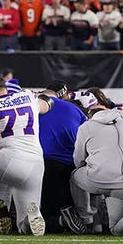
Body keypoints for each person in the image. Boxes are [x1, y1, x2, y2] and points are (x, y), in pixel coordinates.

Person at [0, 76, 51, 236]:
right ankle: (31, 218)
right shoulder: (27, 96)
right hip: (36, 163)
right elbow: (46, 105)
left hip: (8, 158)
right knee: (23, 225)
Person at [61, 100, 123, 236]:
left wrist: (91, 163)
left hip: (97, 180)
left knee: (75, 175)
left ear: (90, 117)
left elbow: (78, 159)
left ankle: (87, 219)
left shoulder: (86, 126)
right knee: (116, 229)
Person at [36, 81, 87, 232]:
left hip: (41, 162)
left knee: (45, 216)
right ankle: (71, 216)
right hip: (72, 165)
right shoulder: (75, 110)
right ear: (64, 94)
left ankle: (61, 221)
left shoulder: (32, 106)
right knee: (63, 201)